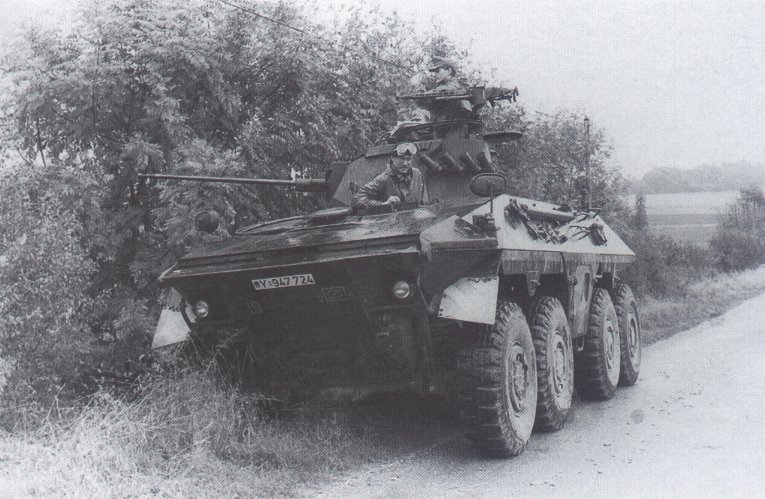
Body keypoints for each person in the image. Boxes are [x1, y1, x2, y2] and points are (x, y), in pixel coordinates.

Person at [351, 142, 428, 212]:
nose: (405, 163)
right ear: (393, 158)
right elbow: (356, 200)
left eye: (408, 159)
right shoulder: (383, 179)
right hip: (392, 221)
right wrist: (384, 204)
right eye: (401, 158)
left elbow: (424, 202)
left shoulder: (417, 174)